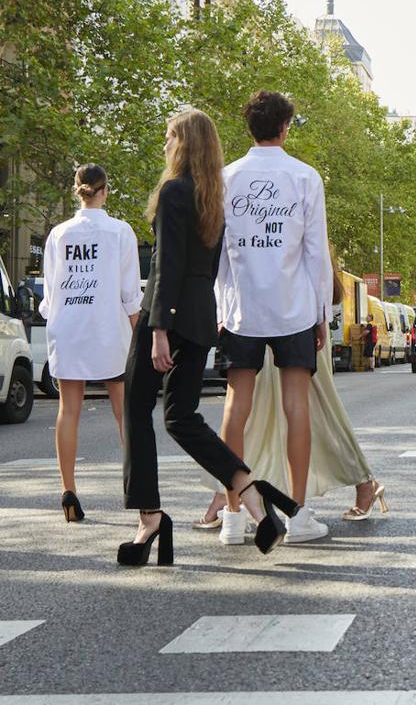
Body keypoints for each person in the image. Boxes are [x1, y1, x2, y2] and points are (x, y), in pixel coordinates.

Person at [121, 108, 298, 566]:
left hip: (168, 316)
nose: (164, 144)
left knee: (136, 411)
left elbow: (166, 267)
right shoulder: (212, 196)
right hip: (201, 317)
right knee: (181, 417)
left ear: (183, 142)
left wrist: (157, 328)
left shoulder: (174, 192)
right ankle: (248, 489)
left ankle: (149, 517)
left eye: (168, 136)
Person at [194, 244, 386, 530]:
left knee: (318, 411)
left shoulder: (286, 204)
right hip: (259, 321)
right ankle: (227, 494)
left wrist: (319, 319)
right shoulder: (265, 203)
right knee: (254, 411)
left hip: (295, 322)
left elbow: (319, 266)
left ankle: (362, 481)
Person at [215, 90, 333, 545]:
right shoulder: (305, 177)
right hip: (295, 305)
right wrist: (322, 312)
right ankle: (298, 514)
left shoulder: (226, 178)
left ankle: (232, 514)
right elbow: (314, 252)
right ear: (285, 127)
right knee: (295, 406)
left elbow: (220, 253)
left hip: (243, 307)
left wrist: (222, 306)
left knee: (235, 406)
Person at [40, 164, 142, 522]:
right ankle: (138, 490)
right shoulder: (119, 232)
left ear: (76, 190)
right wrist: (141, 335)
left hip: (69, 328)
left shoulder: (58, 235)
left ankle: (68, 491)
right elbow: (130, 294)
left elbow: (49, 296)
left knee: (69, 410)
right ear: (105, 191)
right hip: (107, 330)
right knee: (123, 410)